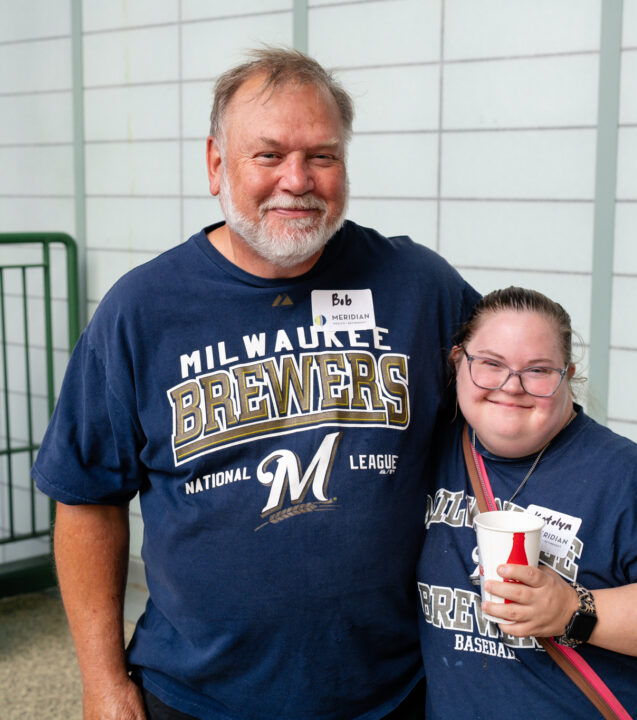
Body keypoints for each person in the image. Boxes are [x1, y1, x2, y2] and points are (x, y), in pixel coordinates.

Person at [32, 48, 479, 720]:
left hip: (391, 695)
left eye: (321, 156)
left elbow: (528, 415)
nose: (296, 180)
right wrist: (102, 681)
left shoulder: (418, 287)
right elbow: (87, 498)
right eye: (268, 155)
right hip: (193, 696)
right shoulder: (142, 310)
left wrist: (623, 658)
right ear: (216, 164)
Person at [417, 286, 637, 719]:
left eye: (537, 371)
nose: (511, 386)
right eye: (490, 364)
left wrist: (574, 611)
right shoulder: (427, 451)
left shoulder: (629, 481)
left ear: (568, 375)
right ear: (457, 362)